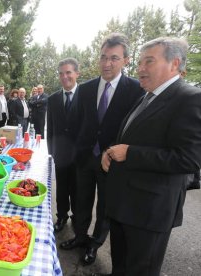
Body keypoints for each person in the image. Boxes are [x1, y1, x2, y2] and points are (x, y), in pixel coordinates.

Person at [98, 37, 201, 276]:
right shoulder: (146, 96)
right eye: (140, 62)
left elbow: (188, 159)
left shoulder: (189, 98)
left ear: (174, 64)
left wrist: (130, 154)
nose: (140, 68)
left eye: (149, 62)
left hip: (149, 213)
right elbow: (130, 137)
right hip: (124, 206)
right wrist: (110, 152)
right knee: (120, 268)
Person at [60, 33, 144, 266]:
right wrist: (78, 149)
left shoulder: (135, 90)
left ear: (126, 60)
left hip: (113, 161)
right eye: (103, 57)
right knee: (81, 201)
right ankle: (79, 236)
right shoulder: (86, 89)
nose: (107, 63)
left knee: (106, 207)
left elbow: (134, 129)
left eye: (114, 58)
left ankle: (95, 244)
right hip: (86, 157)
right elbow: (78, 122)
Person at [47, 58, 80, 233]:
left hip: (79, 154)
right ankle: (61, 216)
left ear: (76, 74)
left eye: (68, 72)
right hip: (60, 154)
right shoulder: (52, 99)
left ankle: (77, 216)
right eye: (61, 73)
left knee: (77, 188)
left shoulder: (86, 95)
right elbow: (50, 127)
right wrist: (51, 152)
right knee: (61, 188)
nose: (64, 76)